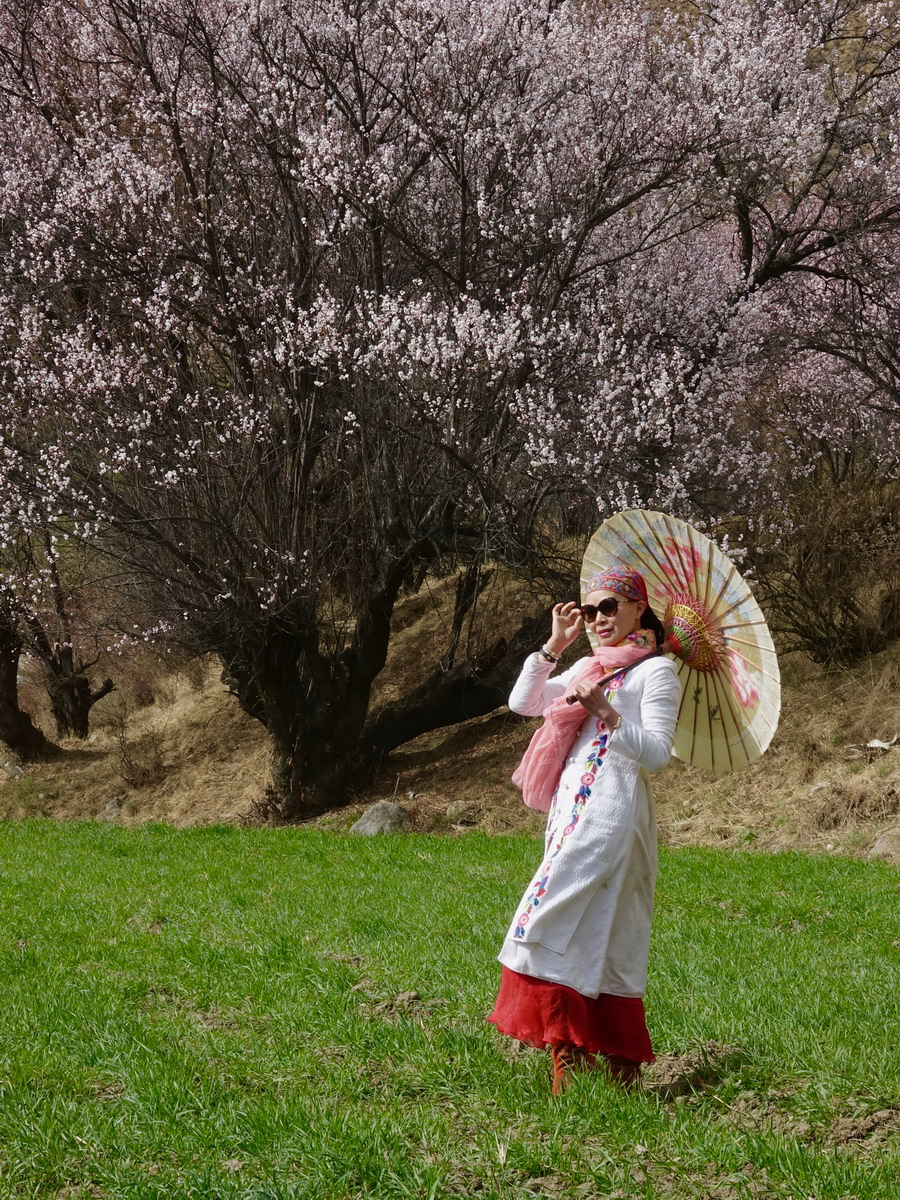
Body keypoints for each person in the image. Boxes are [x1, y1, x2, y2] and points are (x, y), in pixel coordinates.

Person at [487, 567, 683, 1093]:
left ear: (639, 609)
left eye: (610, 607)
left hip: (612, 816)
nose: (598, 618)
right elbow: (524, 703)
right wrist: (554, 646)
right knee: (601, 928)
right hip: (572, 811)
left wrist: (607, 712)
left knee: (547, 920)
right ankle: (590, 1062)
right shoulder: (588, 665)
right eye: (591, 609)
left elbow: (657, 755)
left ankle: (584, 1061)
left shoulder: (656, 673)